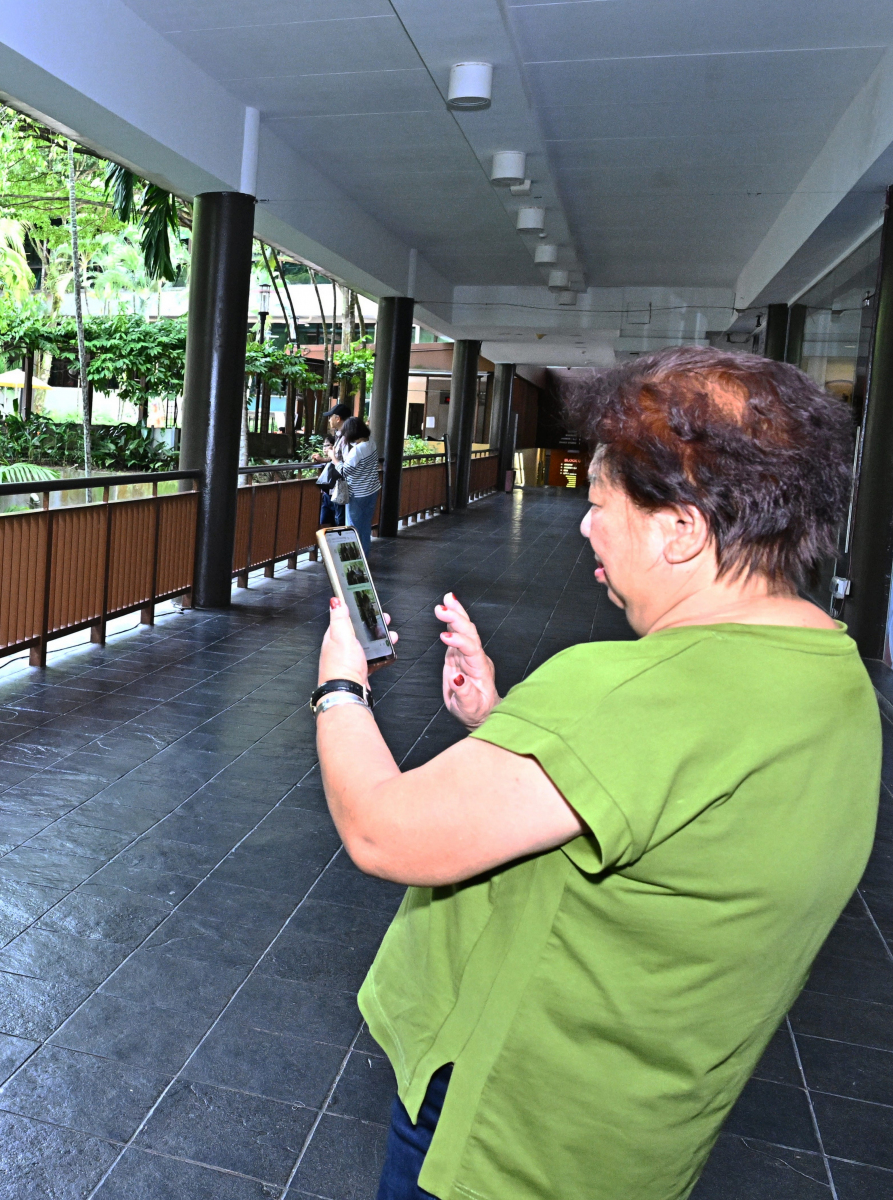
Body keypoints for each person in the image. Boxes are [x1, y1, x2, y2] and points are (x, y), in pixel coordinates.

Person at [310, 346, 876, 1199]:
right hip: (631, 1145)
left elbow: (380, 830)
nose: (585, 526)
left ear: (680, 529)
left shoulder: (634, 691)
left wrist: (341, 685)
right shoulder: (833, 678)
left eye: (601, 502)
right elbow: (666, 800)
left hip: (498, 1139)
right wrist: (510, 726)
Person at [332, 415, 380, 548]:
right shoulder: (371, 442)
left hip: (357, 494)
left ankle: (356, 557)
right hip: (372, 490)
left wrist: (333, 458)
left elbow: (344, 471)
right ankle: (364, 554)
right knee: (365, 526)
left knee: (353, 528)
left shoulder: (357, 451)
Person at [312, 403, 349, 528]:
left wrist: (331, 456)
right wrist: (324, 459)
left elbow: (345, 463)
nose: (329, 420)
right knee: (334, 520)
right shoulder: (341, 436)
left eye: (330, 417)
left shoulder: (346, 438)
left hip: (341, 487)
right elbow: (339, 457)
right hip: (335, 488)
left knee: (340, 522)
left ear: (338, 418)